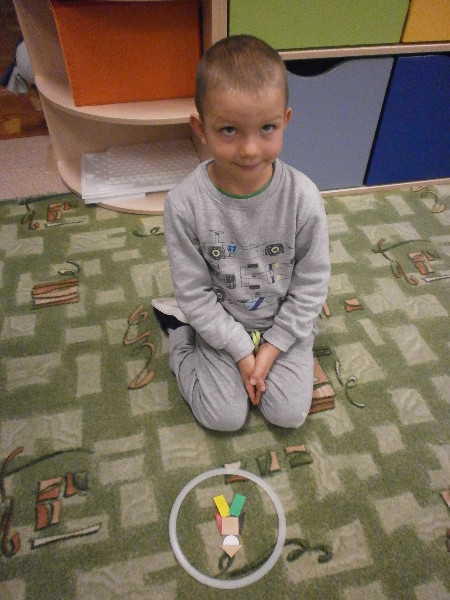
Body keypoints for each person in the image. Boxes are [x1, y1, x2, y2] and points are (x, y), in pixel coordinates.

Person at [152, 34, 330, 432]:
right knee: (223, 418)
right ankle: (180, 338)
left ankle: (282, 345)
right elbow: (194, 292)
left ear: (285, 120)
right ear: (201, 128)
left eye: (267, 128)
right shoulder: (183, 204)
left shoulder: (303, 197)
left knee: (288, 414)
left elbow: (312, 284)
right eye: (229, 130)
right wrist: (238, 350)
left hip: (283, 323)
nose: (250, 149)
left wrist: (273, 347)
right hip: (222, 323)